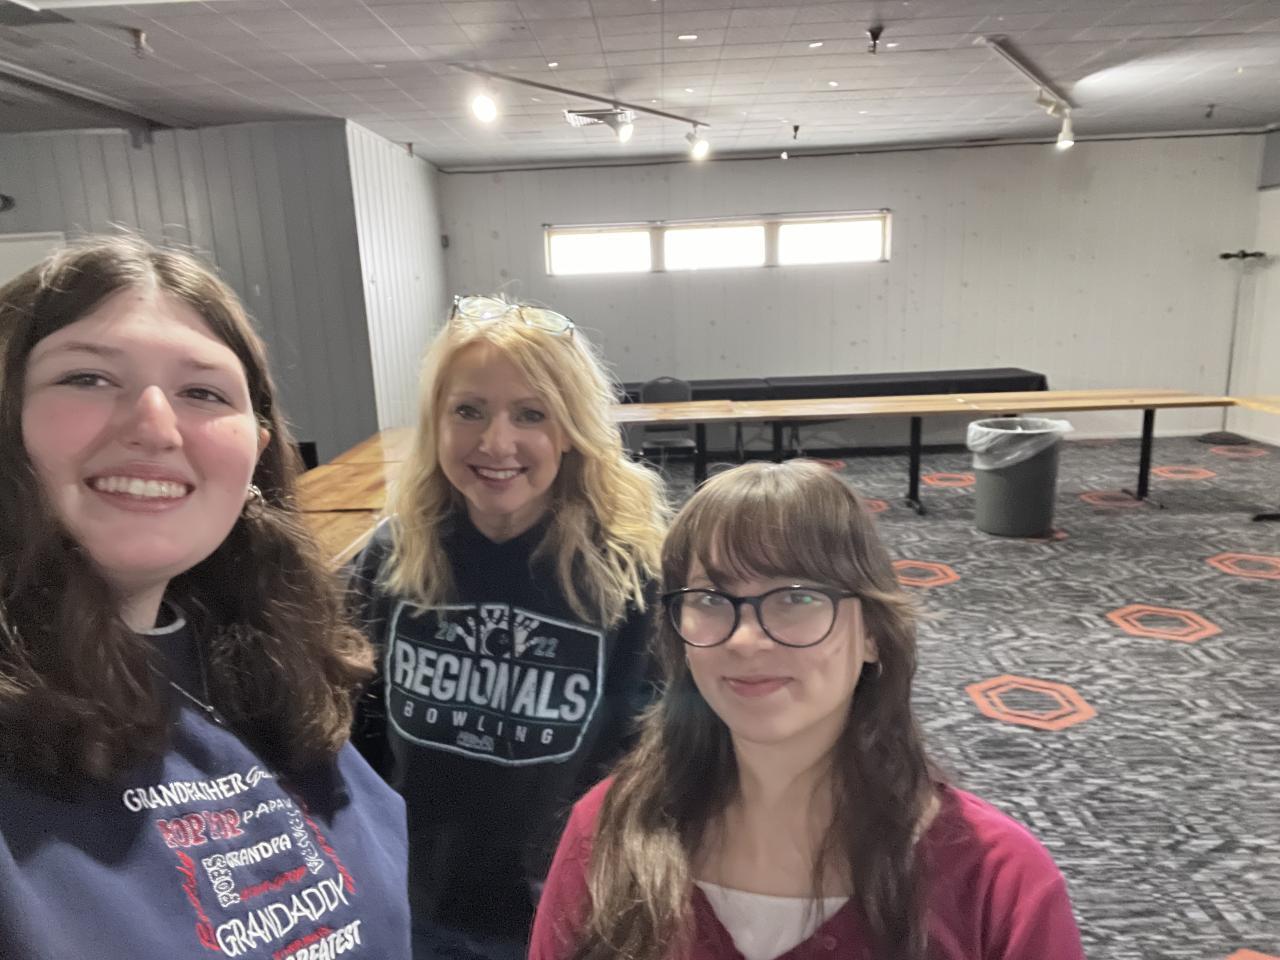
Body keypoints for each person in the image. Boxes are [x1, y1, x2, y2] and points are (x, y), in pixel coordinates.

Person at [0, 236, 411, 960]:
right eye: (88, 377)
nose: (155, 427)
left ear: (255, 450)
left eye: (203, 393)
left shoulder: (271, 679)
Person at [530, 460, 1087, 960]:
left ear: (872, 633)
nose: (745, 639)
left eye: (796, 597)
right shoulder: (606, 834)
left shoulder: (999, 881)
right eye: (710, 599)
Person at [349, 295, 668, 959]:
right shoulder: (394, 557)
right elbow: (355, 734)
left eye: (530, 414)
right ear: (436, 421)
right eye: (468, 410)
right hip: (416, 904)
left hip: (563, 913)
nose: (496, 443)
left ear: (571, 430)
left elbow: (652, 760)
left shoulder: (628, 577)